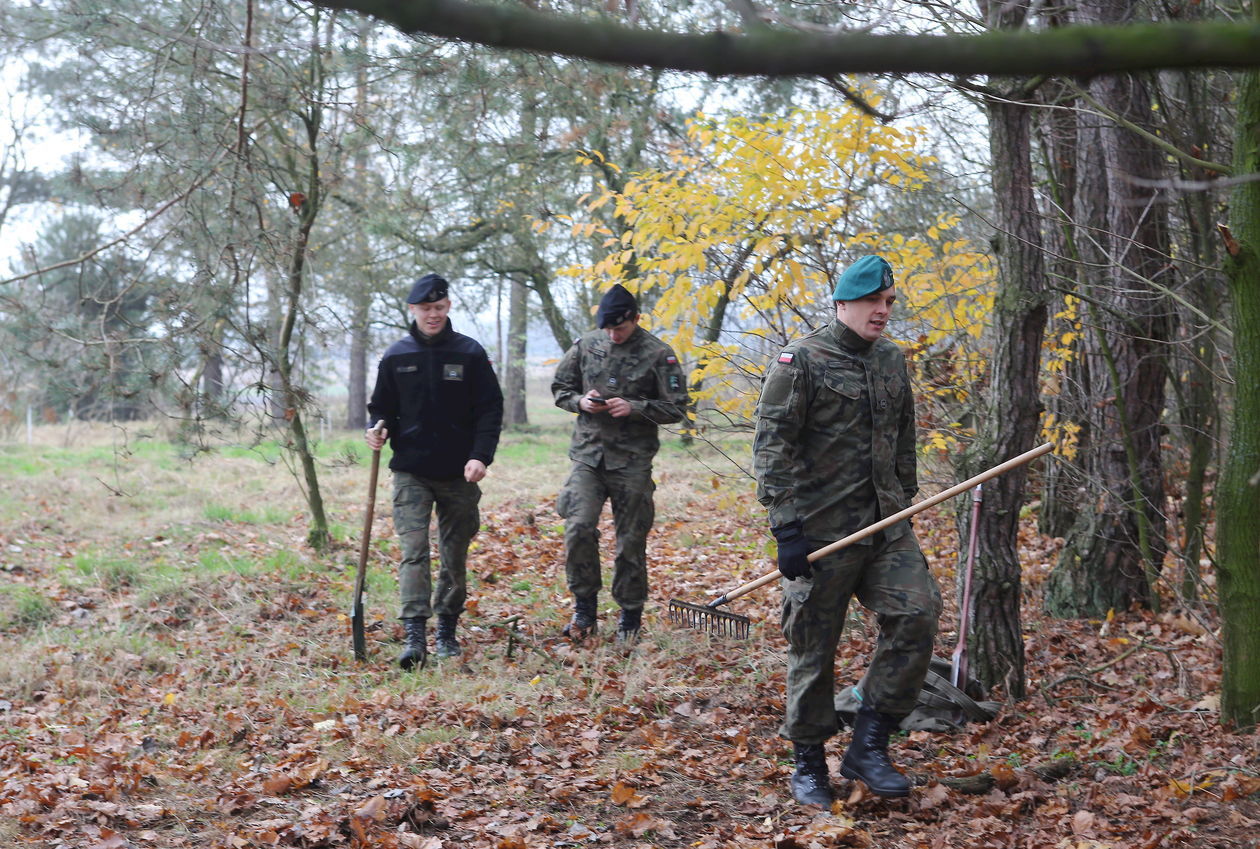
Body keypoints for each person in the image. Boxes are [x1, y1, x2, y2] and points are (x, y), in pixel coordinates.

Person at [753, 255, 941, 805]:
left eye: (888, 303)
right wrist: (786, 528)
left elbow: (903, 431)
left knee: (917, 614)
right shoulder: (802, 360)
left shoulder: (891, 360)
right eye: (871, 303)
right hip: (820, 534)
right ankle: (809, 763)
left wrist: (904, 494)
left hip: (885, 525)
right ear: (843, 304)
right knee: (814, 647)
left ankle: (869, 743)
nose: (882, 312)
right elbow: (772, 444)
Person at [366, 273, 504, 670]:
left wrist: (481, 456)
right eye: (426, 309)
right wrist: (375, 430)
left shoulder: (470, 353)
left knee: (453, 554)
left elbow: (490, 409)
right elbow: (381, 409)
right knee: (413, 552)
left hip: (461, 472)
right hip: (411, 470)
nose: (433, 315)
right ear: (413, 310)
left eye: (439, 308)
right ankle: (414, 636)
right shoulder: (396, 356)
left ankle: (446, 629)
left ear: (448, 308)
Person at [551, 283, 689, 642]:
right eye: (608, 329)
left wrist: (636, 407)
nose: (614, 335)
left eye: (621, 328)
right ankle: (584, 607)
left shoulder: (659, 354)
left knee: (630, 540)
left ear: (636, 319)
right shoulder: (587, 344)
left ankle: (630, 616)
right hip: (588, 457)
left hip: (632, 461)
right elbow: (560, 388)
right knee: (578, 527)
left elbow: (677, 407)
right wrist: (581, 402)